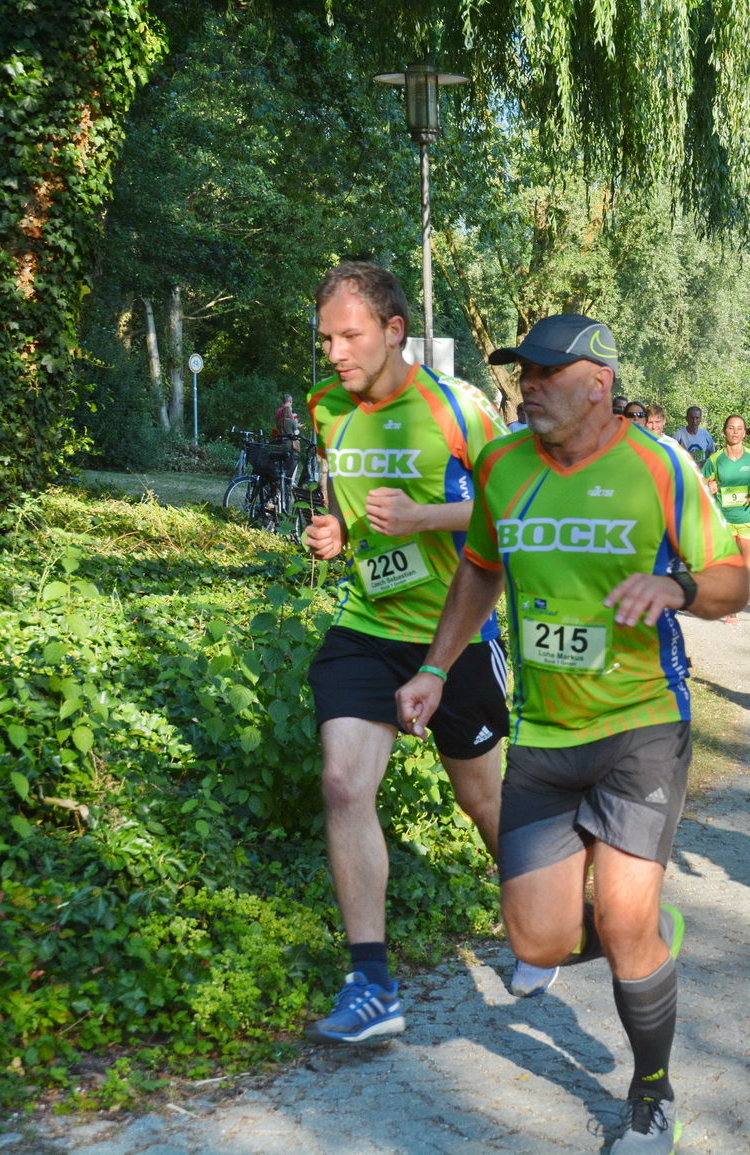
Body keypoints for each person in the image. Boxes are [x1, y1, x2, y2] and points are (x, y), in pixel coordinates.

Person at [396, 313, 749, 1155]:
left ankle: (651, 1097)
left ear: (599, 381)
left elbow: (736, 578)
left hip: (642, 725)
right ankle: (651, 941)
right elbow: (480, 569)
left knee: (624, 922)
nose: (531, 387)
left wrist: (679, 588)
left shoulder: (659, 465)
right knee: (538, 938)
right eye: (525, 373)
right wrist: (436, 667)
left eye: (549, 373)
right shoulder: (503, 463)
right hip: (544, 734)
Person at [302, 261, 509, 1043]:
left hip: (454, 633)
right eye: (326, 337)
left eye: (349, 335)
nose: (335, 352)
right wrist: (333, 531)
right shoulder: (327, 407)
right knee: (342, 782)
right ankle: (372, 982)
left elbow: (509, 508)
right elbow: (339, 500)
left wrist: (425, 516)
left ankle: (547, 908)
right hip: (367, 621)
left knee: (482, 801)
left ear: (394, 330)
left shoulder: (460, 408)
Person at [701, 415, 750, 622]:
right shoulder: (715, 459)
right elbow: (702, 480)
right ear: (724, 431)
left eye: (739, 428)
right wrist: (708, 486)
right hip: (724, 519)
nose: (735, 432)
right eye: (731, 428)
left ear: (745, 433)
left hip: (748, 517)